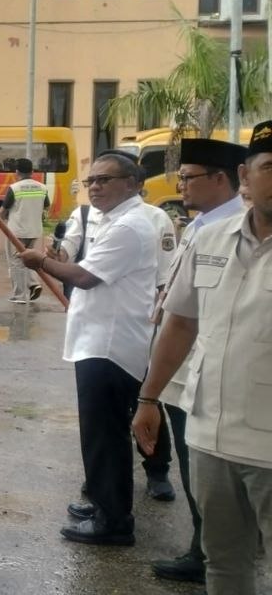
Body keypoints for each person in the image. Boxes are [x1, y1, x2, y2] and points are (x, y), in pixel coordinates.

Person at [131, 121, 272, 595]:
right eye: (270, 167)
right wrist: (148, 397)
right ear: (246, 177)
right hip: (210, 436)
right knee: (224, 565)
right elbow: (181, 323)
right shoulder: (210, 239)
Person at [19, 152, 159, 546]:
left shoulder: (130, 226)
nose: (95, 187)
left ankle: (113, 521)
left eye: (105, 180)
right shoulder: (116, 220)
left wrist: (40, 261)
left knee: (105, 434)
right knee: (102, 432)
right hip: (99, 340)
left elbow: (84, 276)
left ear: (132, 183)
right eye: (91, 180)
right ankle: (104, 502)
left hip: (110, 347)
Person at [0, 158, 49, 303]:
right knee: (31, 258)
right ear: (32, 172)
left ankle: (19, 295)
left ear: (16, 172)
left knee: (16, 262)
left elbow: (4, 209)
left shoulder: (15, 188)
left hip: (17, 232)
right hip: (34, 230)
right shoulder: (42, 187)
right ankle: (34, 284)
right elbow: (46, 206)